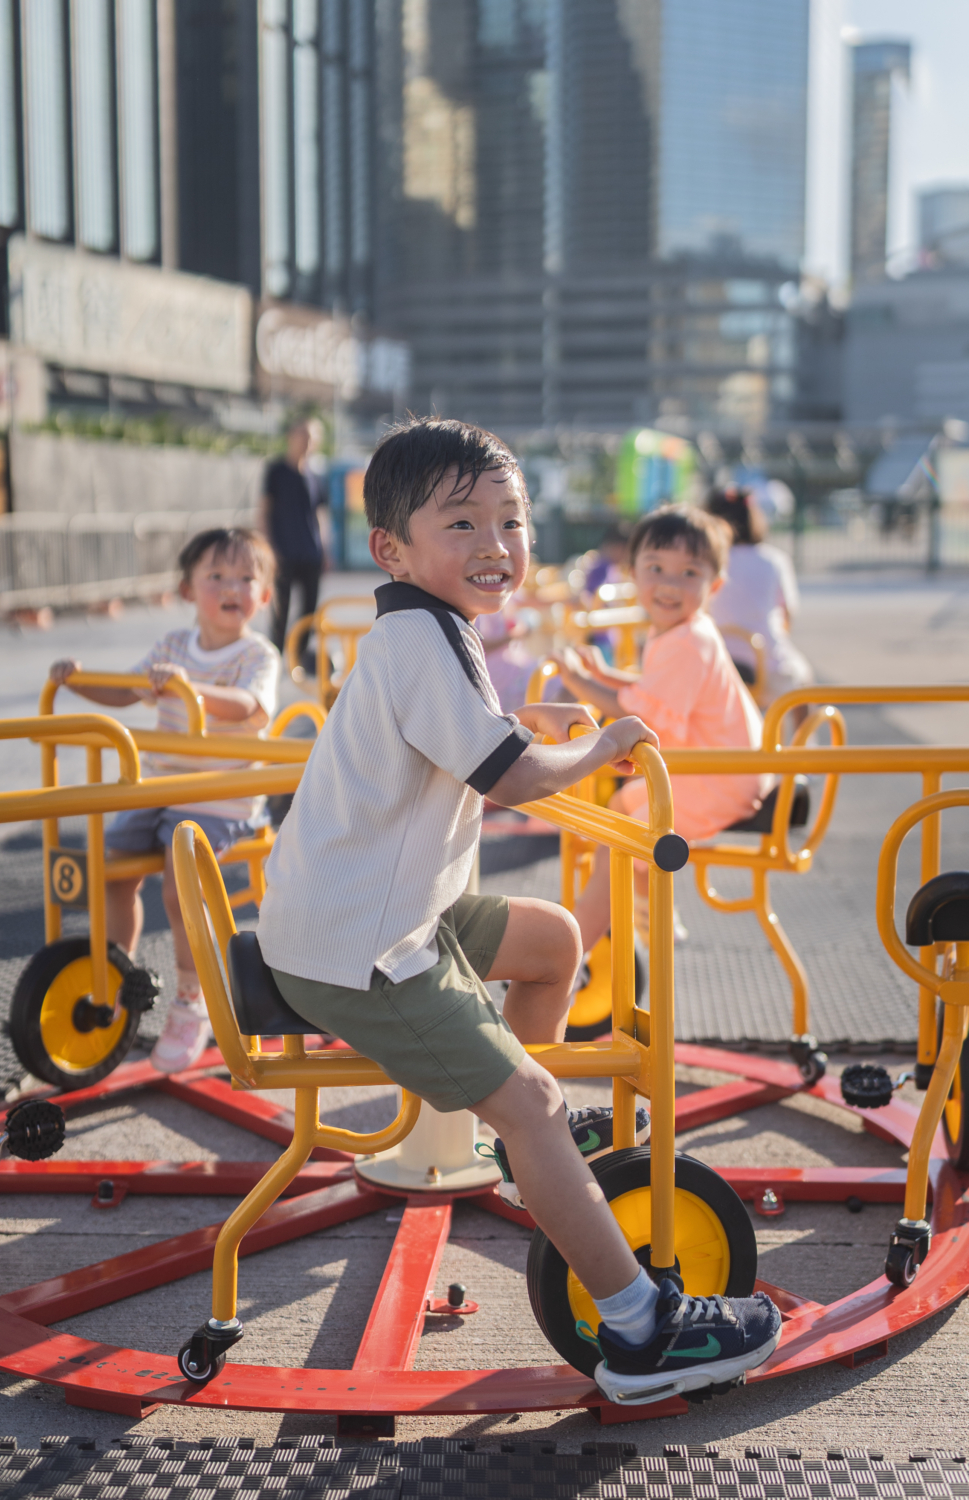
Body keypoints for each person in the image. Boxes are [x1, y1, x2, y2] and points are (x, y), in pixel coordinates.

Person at [255, 419, 780, 1407]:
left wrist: (519, 722)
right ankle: (635, 1328)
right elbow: (507, 778)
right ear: (394, 551)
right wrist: (594, 748)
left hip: (395, 911)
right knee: (536, 1100)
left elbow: (471, 737)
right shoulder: (420, 640)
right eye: (462, 523)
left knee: (553, 941)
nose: (496, 544)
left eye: (511, 518)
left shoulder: (426, 627)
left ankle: (517, 1146)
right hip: (360, 949)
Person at [49, 527, 280, 1074]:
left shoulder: (256, 654)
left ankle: (190, 999)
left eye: (247, 578)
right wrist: (78, 681)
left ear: (264, 595)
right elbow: (126, 691)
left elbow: (252, 707)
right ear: (186, 589)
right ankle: (118, 978)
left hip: (218, 796)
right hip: (159, 788)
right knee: (110, 873)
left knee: (180, 891)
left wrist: (191, 690)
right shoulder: (172, 647)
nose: (232, 587)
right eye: (216, 576)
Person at [554, 505, 771, 951]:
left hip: (720, 779)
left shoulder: (688, 641)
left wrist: (579, 682)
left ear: (713, 585)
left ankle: (574, 953)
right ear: (633, 572)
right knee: (618, 809)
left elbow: (643, 717)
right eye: (656, 568)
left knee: (617, 838)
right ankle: (652, 911)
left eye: (688, 572)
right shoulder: (685, 632)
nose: (670, 584)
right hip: (725, 770)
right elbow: (657, 691)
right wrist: (607, 676)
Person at [704, 485, 813, 709]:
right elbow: (787, 615)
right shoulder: (774, 560)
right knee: (804, 685)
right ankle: (804, 743)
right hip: (768, 660)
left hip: (718, 660)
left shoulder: (708, 561)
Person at [263, 421, 327, 658]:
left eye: (310, 438)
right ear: (291, 436)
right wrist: (269, 547)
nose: (306, 443)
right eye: (302, 436)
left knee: (310, 607)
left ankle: (299, 652)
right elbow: (264, 512)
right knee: (281, 606)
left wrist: (325, 548)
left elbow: (320, 514)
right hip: (284, 551)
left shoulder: (315, 475)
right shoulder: (276, 471)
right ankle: (275, 652)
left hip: (310, 552)